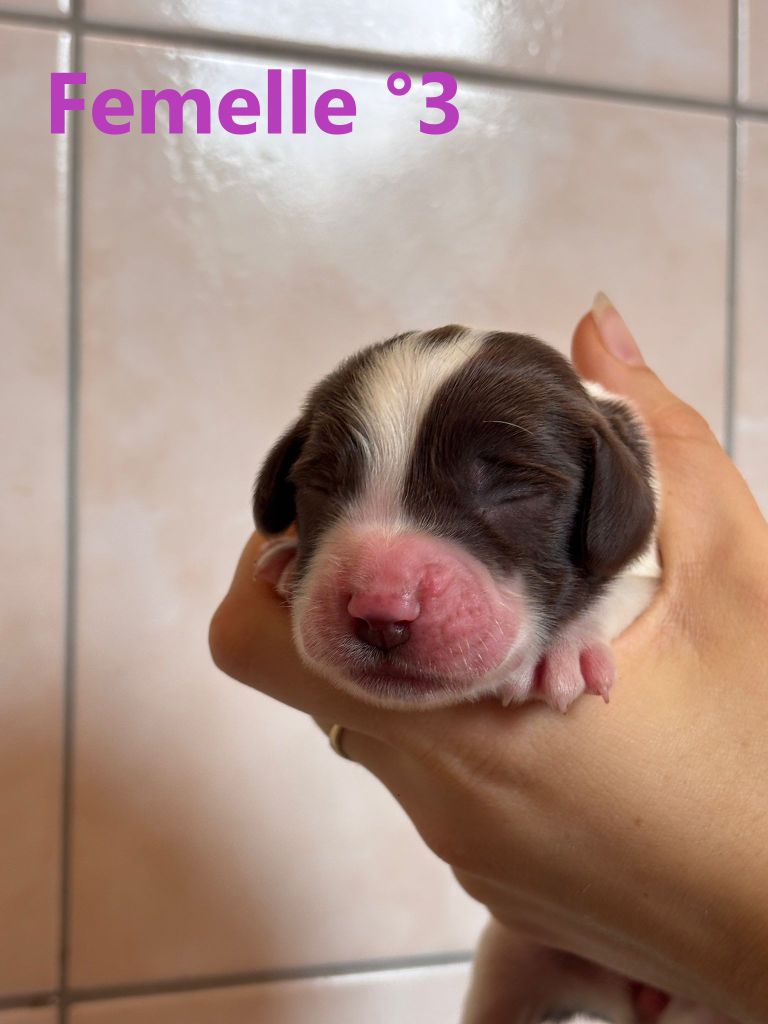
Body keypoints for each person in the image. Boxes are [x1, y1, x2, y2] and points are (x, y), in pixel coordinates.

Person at [209, 298, 768, 1023]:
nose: (381, 600)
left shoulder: (639, 478)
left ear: (610, 491)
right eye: (326, 488)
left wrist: (586, 617)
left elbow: (663, 591)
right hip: (556, 940)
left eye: (511, 491)